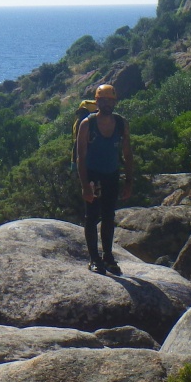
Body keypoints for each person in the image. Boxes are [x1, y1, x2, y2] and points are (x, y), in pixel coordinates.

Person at [76, 83, 134, 275]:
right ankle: (94, 259)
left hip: (112, 175)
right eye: (104, 100)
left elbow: (127, 153)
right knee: (92, 217)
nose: (108, 103)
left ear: (115, 102)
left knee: (109, 216)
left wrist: (128, 182)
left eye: (111, 100)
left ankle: (108, 256)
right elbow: (80, 157)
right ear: (97, 101)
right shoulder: (87, 124)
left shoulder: (121, 123)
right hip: (93, 175)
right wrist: (85, 185)